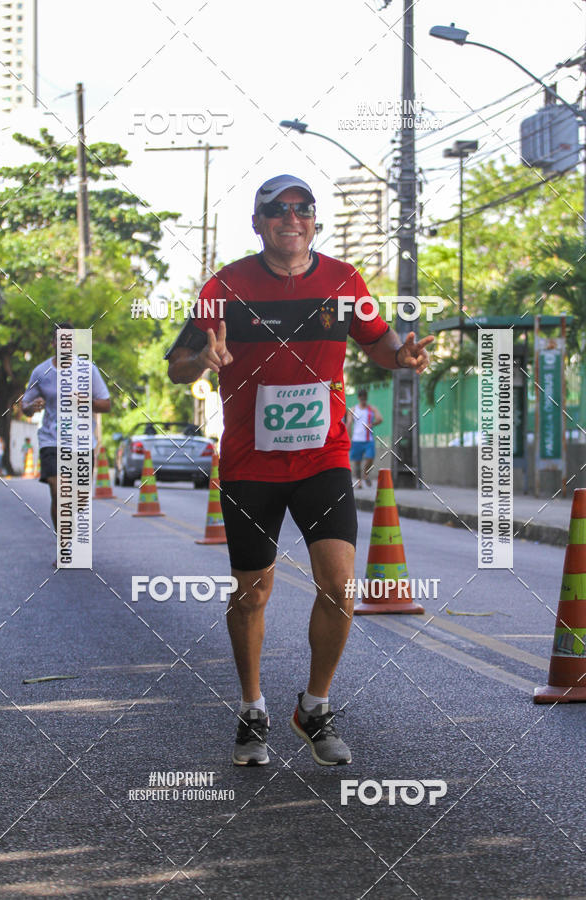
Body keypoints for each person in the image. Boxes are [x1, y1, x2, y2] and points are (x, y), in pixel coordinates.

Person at [166, 174, 432, 767]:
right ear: (258, 223)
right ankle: (252, 708)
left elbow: (381, 345)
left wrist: (404, 357)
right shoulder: (226, 285)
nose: (291, 218)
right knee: (251, 593)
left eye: (302, 209)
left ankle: (314, 706)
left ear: (315, 221)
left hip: (323, 457)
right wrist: (201, 360)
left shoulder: (344, 282)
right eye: (277, 210)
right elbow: (177, 365)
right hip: (249, 464)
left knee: (339, 586)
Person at [22, 322, 111, 538]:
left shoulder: (88, 370)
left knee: (79, 499)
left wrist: (85, 401)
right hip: (52, 440)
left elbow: (106, 405)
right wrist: (32, 407)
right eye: (60, 339)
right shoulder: (41, 372)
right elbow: (25, 406)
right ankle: (64, 542)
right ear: (53, 343)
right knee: (59, 491)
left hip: (81, 442)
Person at [346, 388, 383, 489]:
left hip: (368, 440)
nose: (363, 400)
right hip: (356, 440)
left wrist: (372, 424)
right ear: (358, 398)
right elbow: (348, 424)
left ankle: (366, 473)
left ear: (366, 398)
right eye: (361, 398)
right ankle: (359, 482)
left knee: (370, 458)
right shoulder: (353, 409)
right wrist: (349, 438)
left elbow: (380, 419)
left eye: (365, 398)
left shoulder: (372, 409)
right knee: (357, 463)